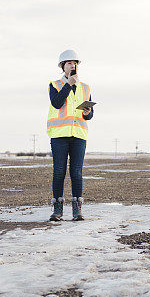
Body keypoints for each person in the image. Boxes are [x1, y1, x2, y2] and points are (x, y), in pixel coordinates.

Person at [47, 49, 94, 221]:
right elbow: (57, 103)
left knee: (76, 172)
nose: (73, 66)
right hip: (59, 135)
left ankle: (77, 211)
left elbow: (89, 115)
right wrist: (69, 84)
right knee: (59, 172)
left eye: (75, 63)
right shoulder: (55, 85)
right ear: (62, 66)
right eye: (69, 63)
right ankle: (57, 211)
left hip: (79, 135)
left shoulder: (85, 87)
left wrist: (88, 112)